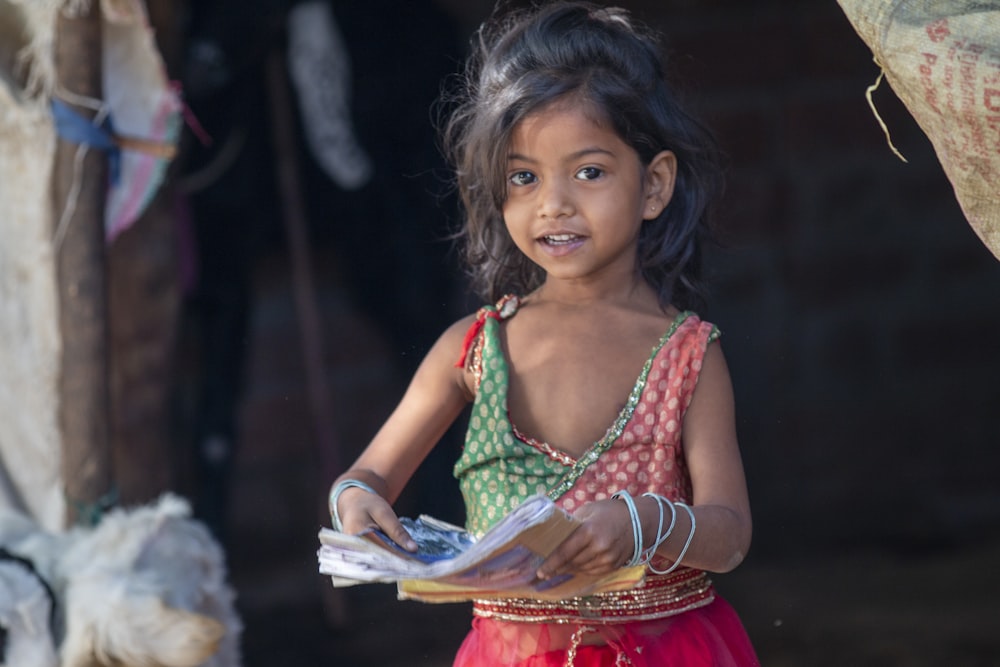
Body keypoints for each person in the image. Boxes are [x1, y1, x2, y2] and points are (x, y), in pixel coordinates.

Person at [328, 2, 759, 665]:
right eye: (524, 177)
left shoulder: (688, 356)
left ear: (654, 185)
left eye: (588, 171)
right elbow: (365, 478)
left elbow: (729, 535)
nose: (553, 203)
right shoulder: (470, 349)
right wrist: (356, 505)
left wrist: (643, 523)